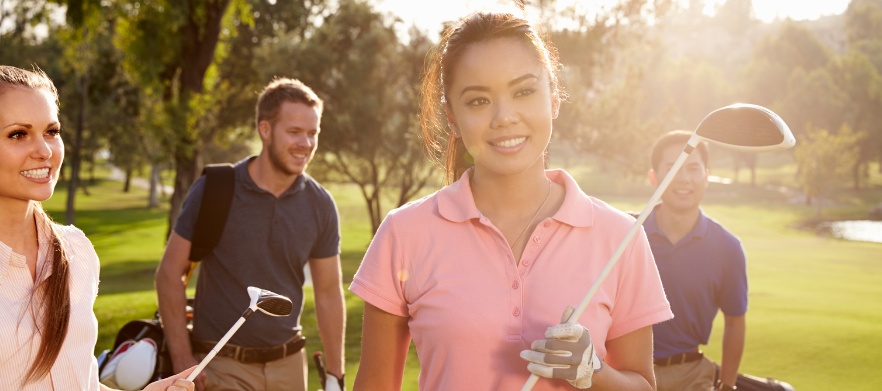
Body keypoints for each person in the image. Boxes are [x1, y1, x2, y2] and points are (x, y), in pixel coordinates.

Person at [350, 9, 673, 391]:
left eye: (523, 91)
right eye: (478, 101)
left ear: (553, 99)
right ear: (452, 118)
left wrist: (594, 371)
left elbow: (643, 385)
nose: (505, 117)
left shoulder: (622, 237)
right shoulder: (404, 234)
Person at [0, 65, 195, 391]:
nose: (45, 151)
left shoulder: (78, 253)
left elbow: (81, 381)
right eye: (18, 134)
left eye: (51, 131)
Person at [156, 78, 346, 391]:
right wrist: (182, 359)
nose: (306, 143)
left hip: (289, 368)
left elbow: (327, 293)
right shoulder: (216, 190)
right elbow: (168, 274)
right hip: (222, 366)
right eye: (295, 132)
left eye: (313, 133)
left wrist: (335, 377)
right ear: (265, 130)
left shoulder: (320, 204)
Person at [644, 131, 748, 391]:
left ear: (706, 176)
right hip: (626, 372)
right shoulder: (626, 233)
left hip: (691, 376)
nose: (683, 179)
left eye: (692, 168)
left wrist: (727, 385)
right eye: (673, 168)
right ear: (654, 178)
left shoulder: (728, 247)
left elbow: (735, 322)